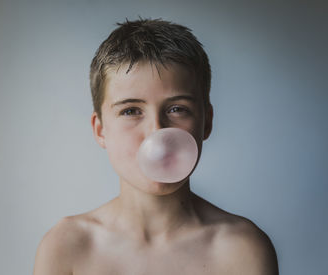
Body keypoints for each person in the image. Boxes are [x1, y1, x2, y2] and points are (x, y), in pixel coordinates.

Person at [33, 18, 279, 274]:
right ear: (100, 129)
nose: (157, 132)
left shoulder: (242, 250)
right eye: (131, 111)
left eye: (177, 109)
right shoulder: (66, 247)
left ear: (206, 122)